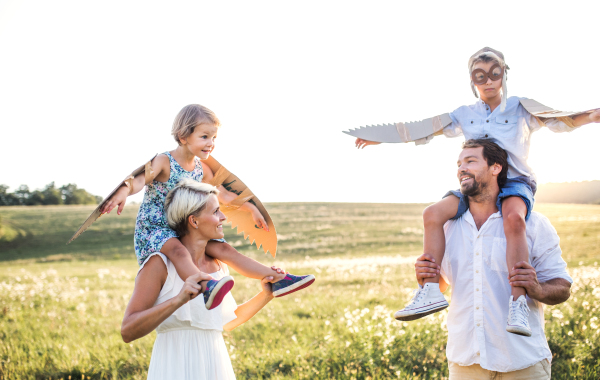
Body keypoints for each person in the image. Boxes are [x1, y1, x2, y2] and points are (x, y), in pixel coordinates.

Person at [351, 47, 598, 335]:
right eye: (480, 76)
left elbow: (560, 119)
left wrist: (591, 117)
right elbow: (424, 129)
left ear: (504, 75)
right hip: (475, 186)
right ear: (472, 80)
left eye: (495, 74)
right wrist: (379, 138)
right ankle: (430, 291)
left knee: (514, 219)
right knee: (432, 213)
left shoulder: (520, 107)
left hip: (515, 183)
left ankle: (518, 303)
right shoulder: (464, 115)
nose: (488, 82)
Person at [102, 104, 314, 309]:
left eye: (214, 137)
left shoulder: (201, 170)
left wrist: (251, 208)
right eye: (204, 137)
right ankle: (205, 287)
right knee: (178, 250)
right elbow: (140, 179)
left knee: (224, 249)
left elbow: (224, 195)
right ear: (183, 136)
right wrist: (124, 190)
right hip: (156, 228)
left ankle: (277, 278)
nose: (211, 143)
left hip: (186, 228)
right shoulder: (164, 161)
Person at [413, 139, 572, 378]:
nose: (461, 168)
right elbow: (445, 283)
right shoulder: (447, 228)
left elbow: (563, 288)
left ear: (496, 167)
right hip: (465, 363)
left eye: (471, 161)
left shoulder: (533, 224)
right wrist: (426, 276)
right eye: (459, 163)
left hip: (522, 363)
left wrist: (537, 289)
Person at [121, 180, 279, 379]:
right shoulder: (159, 264)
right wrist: (178, 300)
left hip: (215, 364)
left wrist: (266, 295)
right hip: (173, 367)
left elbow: (225, 322)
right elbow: (128, 330)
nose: (223, 217)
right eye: (215, 212)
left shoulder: (218, 266)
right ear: (193, 221)